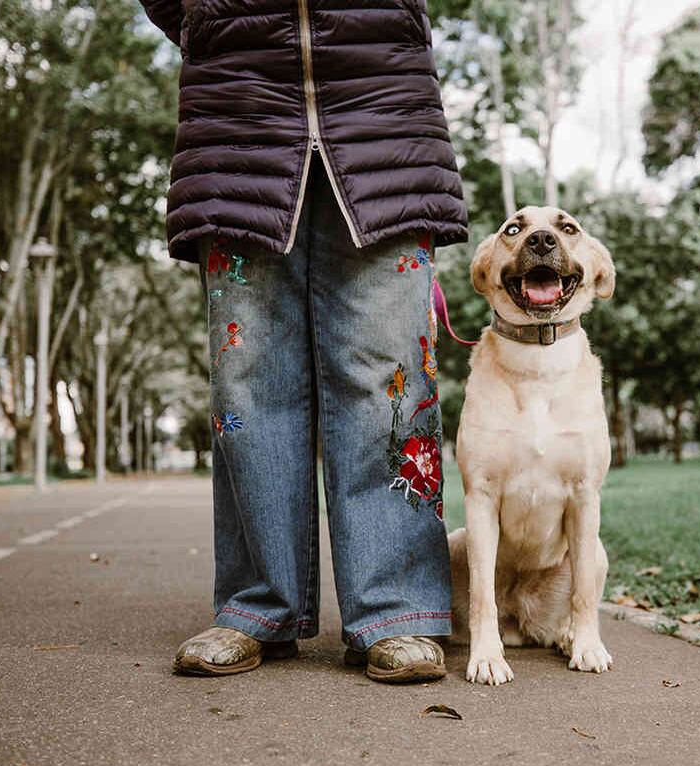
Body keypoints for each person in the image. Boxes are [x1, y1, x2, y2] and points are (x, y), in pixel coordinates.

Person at [138, 0, 468, 682]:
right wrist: (207, 18)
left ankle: (399, 608)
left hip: (384, 111)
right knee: (247, 386)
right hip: (236, 115)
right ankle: (257, 606)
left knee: (390, 382)